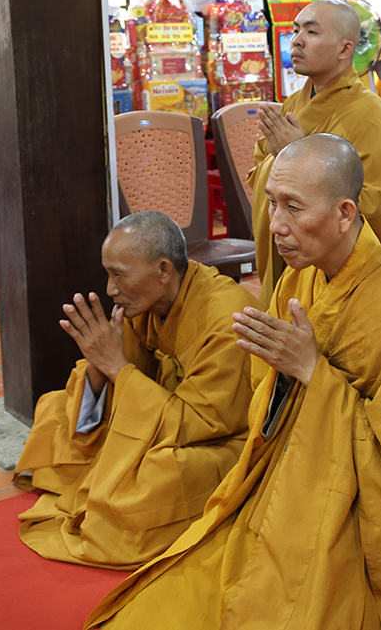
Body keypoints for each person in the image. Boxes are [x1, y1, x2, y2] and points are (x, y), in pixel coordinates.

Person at [87, 134, 381, 629]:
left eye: (293, 207)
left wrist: (313, 372)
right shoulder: (299, 280)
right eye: (272, 203)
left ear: (344, 213)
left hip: (362, 519)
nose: (275, 225)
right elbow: (265, 405)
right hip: (294, 478)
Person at [14, 212, 253, 569]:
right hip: (161, 417)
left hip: (220, 441)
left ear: (163, 270)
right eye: (109, 274)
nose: (111, 289)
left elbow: (199, 424)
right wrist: (98, 366)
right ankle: (106, 485)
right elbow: (124, 377)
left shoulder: (226, 319)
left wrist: (115, 367)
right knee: (56, 407)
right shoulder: (145, 303)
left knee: (159, 473)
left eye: (119, 275)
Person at [247, 0, 381, 298]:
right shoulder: (292, 106)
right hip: (293, 260)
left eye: (311, 32)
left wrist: (297, 155)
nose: (296, 41)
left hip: (354, 281)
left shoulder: (372, 117)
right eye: (296, 30)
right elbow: (259, 172)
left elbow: (373, 206)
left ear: (345, 49)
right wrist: (284, 158)